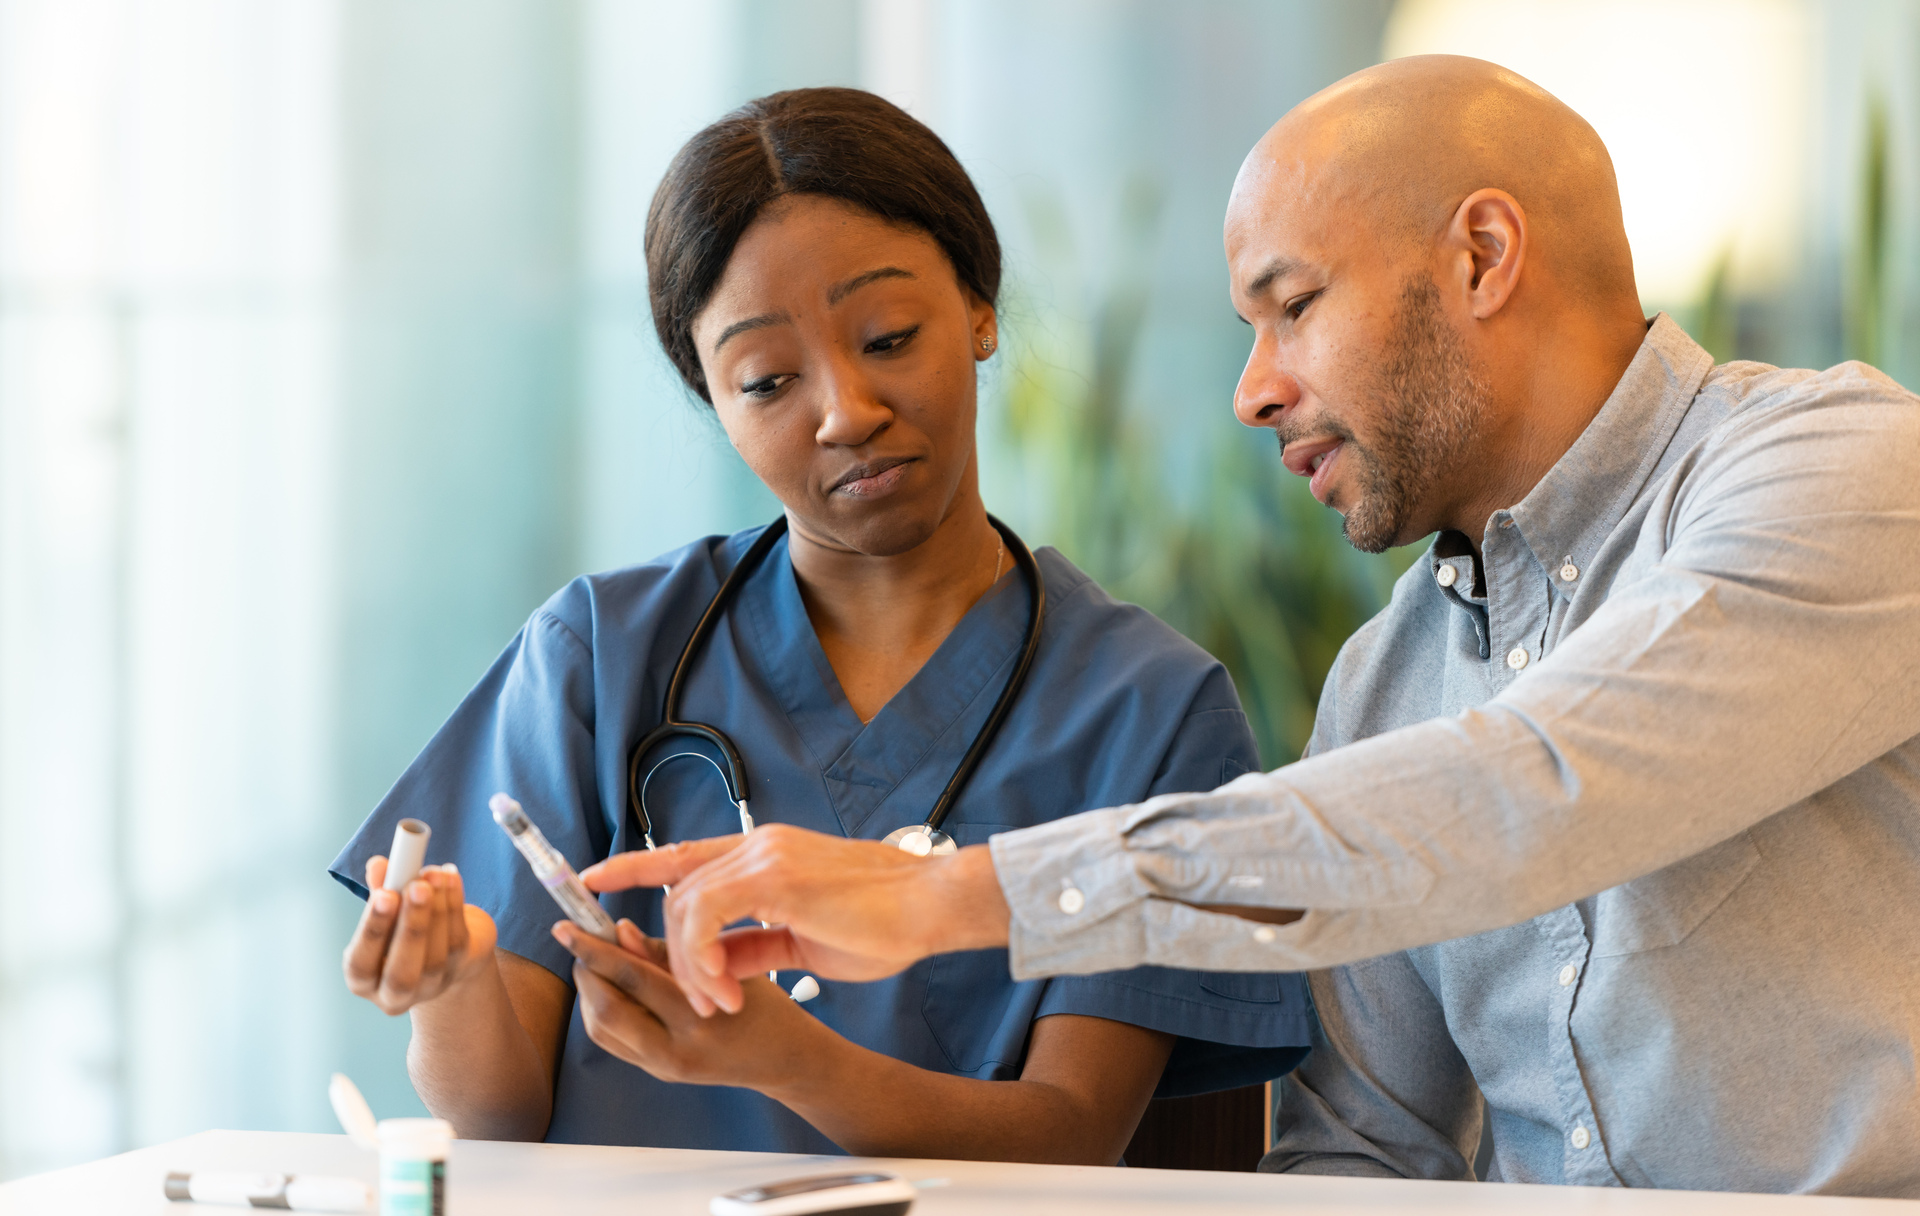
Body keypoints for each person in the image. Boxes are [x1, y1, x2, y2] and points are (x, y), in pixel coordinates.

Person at [607, 57, 1920, 1198]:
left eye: (1292, 306)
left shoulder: (1844, 472)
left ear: (1482, 255)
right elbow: (1360, 1153)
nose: (1254, 390)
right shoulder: (1388, 679)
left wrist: (957, 893)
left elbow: (1543, 787)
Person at [329, 86, 1309, 1163]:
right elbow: (494, 1114)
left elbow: (1069, 1135)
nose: (844, 409)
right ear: (713, 396)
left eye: (887, 336)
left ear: (981, 310)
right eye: (767, 380)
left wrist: (788, 1057)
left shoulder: (1147, 710)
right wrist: (454, 979)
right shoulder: (600, 654)